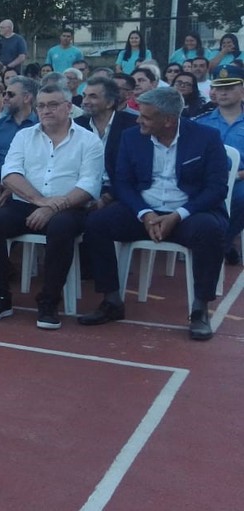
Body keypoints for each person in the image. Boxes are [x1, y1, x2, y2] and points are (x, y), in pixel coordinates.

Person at [80, 87, 228, 341]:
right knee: (96, 223)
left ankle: (200, 309)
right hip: (143, 210)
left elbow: (216, 188)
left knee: (210, 231)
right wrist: (145, 214)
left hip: (188, 212)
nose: (138, 120)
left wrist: (177, 215)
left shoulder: (206, 138)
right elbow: (123, 183)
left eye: (146, 117)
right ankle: (111, 300)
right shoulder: (131, 137)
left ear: (169, 120)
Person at [0, 84, 103, 329]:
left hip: (70, 207)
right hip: (28, 203)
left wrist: (54, 207)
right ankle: (0, 296)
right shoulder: (24, 136)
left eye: (53, 105)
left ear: (68, 107)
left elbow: (89, 185)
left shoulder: (89, 141)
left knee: (61, 228)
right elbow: (10, 174)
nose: (46, 110)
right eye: (41, 105)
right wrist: (40, 202)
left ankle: (49, 302)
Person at [194, 71, 244, 264]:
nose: (223, 93)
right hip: (205, 179)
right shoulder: (201, 122)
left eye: (230, 88)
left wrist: (237, 176)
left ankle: (221, 244)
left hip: (240, 179)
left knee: (241, 198)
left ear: (242, 90)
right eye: (219, 88)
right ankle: (217, 244)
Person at [0, 77, 38, 225]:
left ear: (27, 97)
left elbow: (40, 166)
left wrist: (13, 188)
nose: (5, 98)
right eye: (4, 93)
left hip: (28, 187)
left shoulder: (40, 128)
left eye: (10, 94)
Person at [75, 75, 138, 208]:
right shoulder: (76, 125)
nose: (85, 101)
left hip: (119, 192)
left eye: (93, 96)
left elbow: (135, 170)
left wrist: (108, 197)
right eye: (84, 95)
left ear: (110, 102)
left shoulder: (132, 126)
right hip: (81, 190)